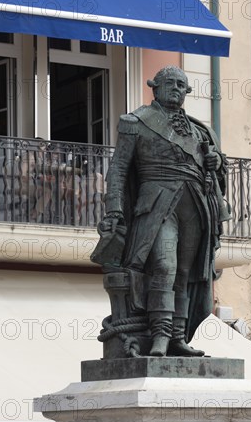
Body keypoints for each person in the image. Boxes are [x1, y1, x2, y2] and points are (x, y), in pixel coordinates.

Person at [98, 66, 229, 357]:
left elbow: (217, 172)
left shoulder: (200, 130)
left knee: (185, 273)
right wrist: (114, 210)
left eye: (182, 85)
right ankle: (159, 335)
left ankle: (177, 339)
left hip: (195, 203)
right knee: (164, 267)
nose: (177, 88)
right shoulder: (135, 122)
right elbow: (118, 170)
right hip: (156, 202)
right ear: (154, 87)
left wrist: (215, 163)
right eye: (170, 83)